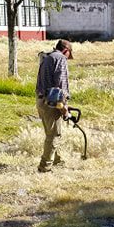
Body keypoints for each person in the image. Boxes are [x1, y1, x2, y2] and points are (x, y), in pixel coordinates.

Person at [35, 39, 73, 173]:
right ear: (66, 50)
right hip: (52, 102)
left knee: (50, 133)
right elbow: (60, 85)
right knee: (54, 135)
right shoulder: (61, 58)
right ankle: (44, 167)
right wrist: (64, 108)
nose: (68, 57)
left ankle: (57, 160)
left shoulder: (47, 57)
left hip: (40, 100)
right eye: (69, 54)